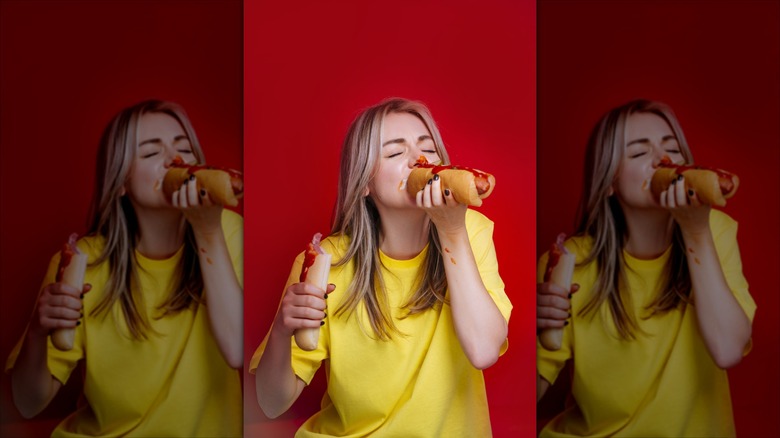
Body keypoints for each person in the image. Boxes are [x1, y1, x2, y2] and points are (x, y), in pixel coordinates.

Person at [251, 97, 512, 436]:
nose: (417, 160)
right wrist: (283, 332)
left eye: (428, 149)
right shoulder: (323, 261)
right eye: (393, 153)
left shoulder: (470, 230)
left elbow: (483, 350)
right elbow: (272, 403)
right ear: (365, 184)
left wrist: (451, 229)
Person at [6, 100, 243, 437]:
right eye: (149, 153)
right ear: (120, 182)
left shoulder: (227, 231)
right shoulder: (80, 260)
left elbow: (236, 350)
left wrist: (207, 230)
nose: (173, 160)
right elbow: (29, 402)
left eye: (184, 148)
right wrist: (35, 332)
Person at [536, 99, 755, 437]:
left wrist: (695, 229)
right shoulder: (570, 259)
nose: (662, 160)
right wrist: (529, 330)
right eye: (639, 153)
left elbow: (728, 349)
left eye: (672, 149)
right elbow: (526, 393)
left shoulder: (715, 230)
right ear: (609, 181)